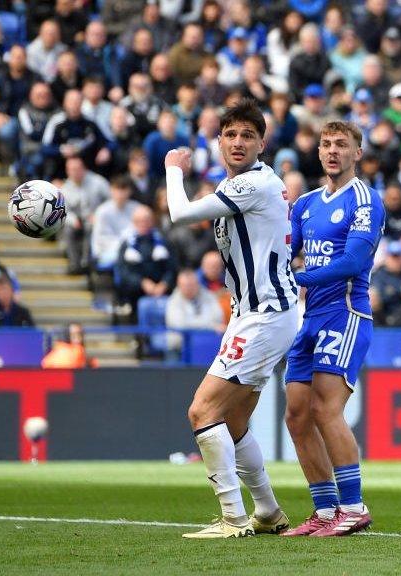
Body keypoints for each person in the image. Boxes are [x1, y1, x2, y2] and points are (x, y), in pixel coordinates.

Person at [163, 100, 298, 539]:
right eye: (230, 135)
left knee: (202, 409)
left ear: (262, 143)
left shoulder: (255, 183)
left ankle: (232, 518)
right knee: (235, 423)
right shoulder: (240, 184)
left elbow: (180, 214)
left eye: (247, 135)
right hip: (258, 314)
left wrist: (172, 169)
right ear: (219, 141)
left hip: (264, 314)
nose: (238, 142)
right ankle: (268, 512)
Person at [283, 120, 385, 537]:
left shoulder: (365, 199)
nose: (332, 151)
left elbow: (355, 262)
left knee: (327, 409)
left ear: (357, 153)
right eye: (326, 144)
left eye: (341, 145)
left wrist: (298, 279)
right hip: (308, 320)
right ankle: (325, 511)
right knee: (296, 415)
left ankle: (354, 506)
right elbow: (283, 253)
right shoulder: (304, 203)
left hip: (345, 315)